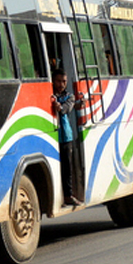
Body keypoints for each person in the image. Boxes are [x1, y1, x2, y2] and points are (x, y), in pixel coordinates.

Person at [52, 69, 83, 206]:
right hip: (52, 137)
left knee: (67, 169)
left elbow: (66, 109)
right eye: (59, 81)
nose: (61, 84)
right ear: (53, 81)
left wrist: (59, 107)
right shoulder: (50, 95)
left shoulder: (69, 97)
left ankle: (68, 196)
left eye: (64, 81)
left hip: (65, 137)